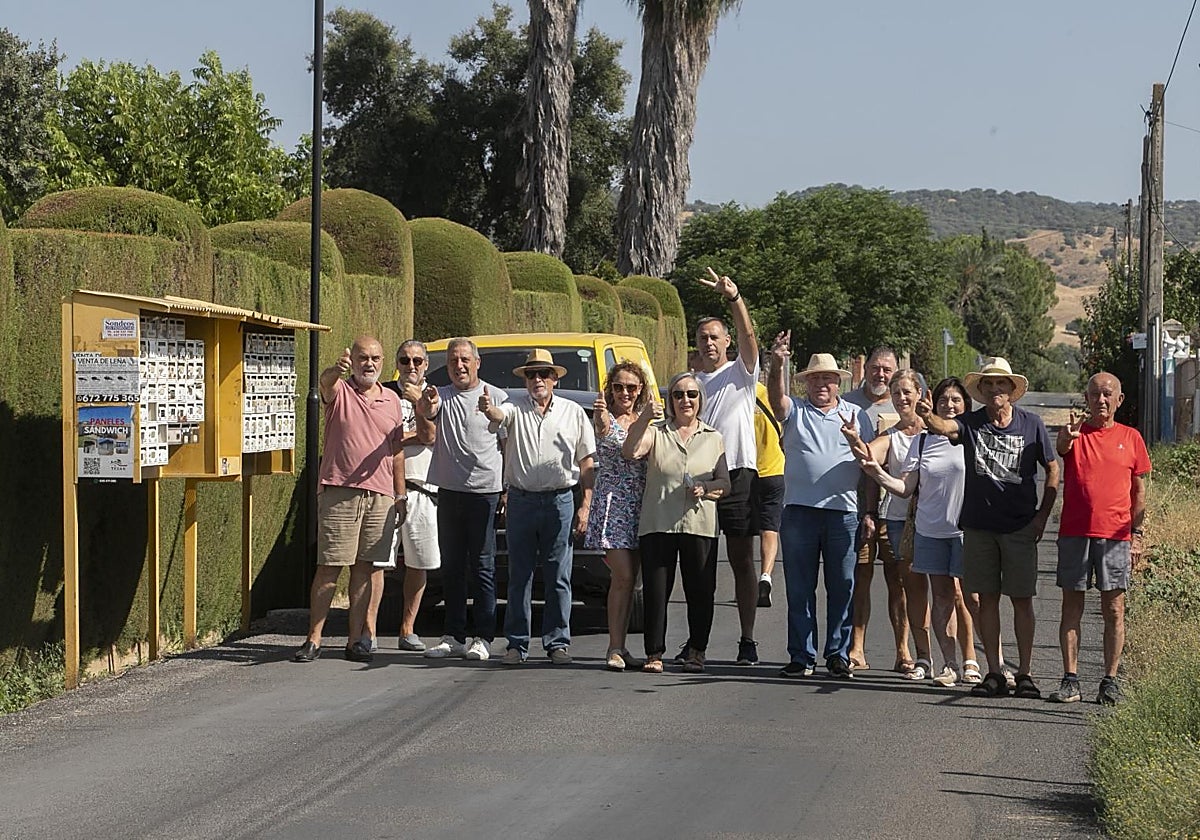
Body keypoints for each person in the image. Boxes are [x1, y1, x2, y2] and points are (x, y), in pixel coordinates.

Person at [917, 357, 1059, 699]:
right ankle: (994, 672)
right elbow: (944, 428)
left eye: (1001, 384)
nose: (995, 390)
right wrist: (926, 415)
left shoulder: (1032, 425)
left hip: (1019, 527)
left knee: (1022, 600)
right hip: (979, 528)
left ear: (1012, 391)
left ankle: (1025, 673)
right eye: (988, 385)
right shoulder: (971, 423)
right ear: (980, 392)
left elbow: (1053, 470)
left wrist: (1042, 516)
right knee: (985, 600)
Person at [859, 376, 981, 687]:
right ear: (933, 403)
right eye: (944, 401)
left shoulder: (973, 437)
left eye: (955, 400)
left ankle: (974, 660)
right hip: (929, 530)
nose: (949, 406)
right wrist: (876, 473)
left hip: (965, 531)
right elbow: (905, 487)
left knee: (968, 597)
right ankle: (948, 664)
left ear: (966, 405)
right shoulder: (922, 441)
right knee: (940, 597)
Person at [293, 337, 406, 664]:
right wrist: (334, 370)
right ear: (353, 360)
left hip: (380, 495)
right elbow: (325, 383)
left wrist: (400, 494)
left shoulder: (392, 400)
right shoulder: (340, 391)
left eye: (374, 358)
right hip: (340, 490)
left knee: (364, 568)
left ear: (383, 361)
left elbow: (396, 450)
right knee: (329, 567)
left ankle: (356, 640)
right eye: (362, 358)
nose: (368, 364)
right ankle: (313, 638)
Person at [767, 334, 874, 679]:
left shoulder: (856, 414)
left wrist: (868, 511)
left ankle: (838, 654)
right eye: (815, 378)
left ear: (837, 382)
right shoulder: (795, 410)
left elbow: (871, 464)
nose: (821, 384)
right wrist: (778, 362)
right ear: (807, 383)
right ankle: (802, 655)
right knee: (799, 586)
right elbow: (775, 398)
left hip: (843, 511)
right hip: (799, 510)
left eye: (827, 378)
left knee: (843, 585)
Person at [481, 349, 596, 665]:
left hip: (560, 499)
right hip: (521, 499)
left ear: (555, 378)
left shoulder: (572, 412)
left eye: (544, 373)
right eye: (531, 375)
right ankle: (516, 645)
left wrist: (585, 505)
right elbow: (499, 416)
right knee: (520, 575)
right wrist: (488, 410)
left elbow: (586, 460)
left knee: (559, 574)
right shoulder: (514, 406)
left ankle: (558, 642)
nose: (537, 380)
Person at [1049, 372, 1149, 705]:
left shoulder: (1131, 437)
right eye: (1094, 394)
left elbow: (1138, 491)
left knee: (1114, 610)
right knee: (1071, 608)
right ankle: (1070, 680)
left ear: (1119, 400)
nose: (1101, 400)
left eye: (1108, 394)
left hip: (1116, 536)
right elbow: (1061, 450)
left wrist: (1137, 534)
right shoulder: (1075, 435)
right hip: (1075, 533)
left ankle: (1110, 680)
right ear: (1087, 398)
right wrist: (1066, 438)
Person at [624, 372, 731, 674]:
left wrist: (706, 488)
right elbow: (630, 451)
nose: (686, 400)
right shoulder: (657, 431)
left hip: (699, 524)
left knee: (700, 590)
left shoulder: (713, 437)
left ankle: (697, 650)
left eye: (692, 395)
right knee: (657, 591)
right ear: (670, 400)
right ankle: (654, 653)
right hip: (659, 521)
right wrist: (644, 418)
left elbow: (725, 482)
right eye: (679, 394)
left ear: (700, 400)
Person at [417, 338, 508, 662]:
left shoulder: (497, 396)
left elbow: (507, 443)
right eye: (454, 360)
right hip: (450, 491)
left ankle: (483, 636)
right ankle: (453, 636)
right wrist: (426, 406)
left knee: (482, 566)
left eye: (465, 359)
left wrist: (506, 488)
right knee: (452, 566)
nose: (459, 365)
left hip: (485, 492)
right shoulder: (440, 395)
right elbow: (429, 414)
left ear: (477, 362)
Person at [690, 267, 762, 666]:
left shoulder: (742, 372)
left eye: (715, 337)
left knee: (741, 559)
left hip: (737, 473)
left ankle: (748, 638)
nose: (709, 343)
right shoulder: (690, 383)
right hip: (700, 478)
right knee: (699, 564)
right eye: (703, 338)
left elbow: (751, 338)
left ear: (727, 341)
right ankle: (697, 643)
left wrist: (734, 298)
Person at [843, 369, 934, 681]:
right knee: (901, 583)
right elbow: (869, 456)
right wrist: (855, 439)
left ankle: (940, 656)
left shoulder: (936, 434)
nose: (902, 398)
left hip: (935, 520)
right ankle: (906, 653)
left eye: (907, 392)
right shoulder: (891, 436)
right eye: (897, 394)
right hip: (896, 520)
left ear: (921, 394)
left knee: (945, 591)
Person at [361, 340, 438, 654]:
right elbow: (378, 439)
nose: (411, 367)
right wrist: (410, 437)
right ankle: (369, 631)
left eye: (418, 361)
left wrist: (419, 409)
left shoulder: (433, 396)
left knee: (419, 563)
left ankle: (408, 629)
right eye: (405, 361)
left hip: (423, 489)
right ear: (397, 362)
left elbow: (430, 437)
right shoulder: (382, 393)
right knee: (377, 562)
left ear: (426, 365)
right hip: (386, 488)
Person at [844, 347, 912, 673]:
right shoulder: (847, 404)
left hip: (894, 509)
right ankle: (856, 647)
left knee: (898, 580)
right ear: (865, 368)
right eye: (875, 368)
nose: (880, 375)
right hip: (854, 507)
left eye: (887, 370)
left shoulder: (905, 408)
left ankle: (903, 650)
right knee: (861, 577)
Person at [586, 361, 651, 671]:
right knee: (622, 576)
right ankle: (613, 647)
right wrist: (601, 415)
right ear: (609, 389)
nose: (624, 392)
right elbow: (616, 440)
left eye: (631, 387)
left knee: (633, 581)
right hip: (614, 506)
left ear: (640, 391)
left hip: (643, 504)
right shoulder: (606, 419)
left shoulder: (647, 420)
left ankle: (622, 646)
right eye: (618, 387)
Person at [752, 379, 785, 608]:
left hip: (746, 471)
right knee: (770, 529)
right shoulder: (770, 395)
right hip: (774, 470)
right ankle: (766, 575)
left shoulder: (737, 394)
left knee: (742, 536)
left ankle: (745, 582)